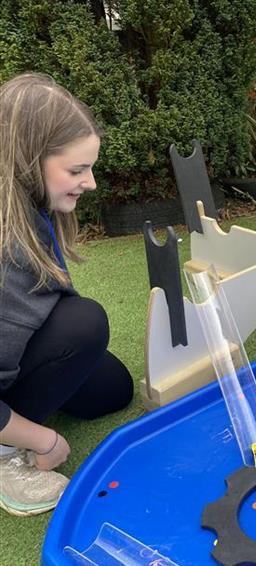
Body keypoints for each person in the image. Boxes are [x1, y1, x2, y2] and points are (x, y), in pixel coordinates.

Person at [0, 73, 134, 516]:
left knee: (113, 390)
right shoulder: (6, 252)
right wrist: (42, 439)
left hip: (13, 358)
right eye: (77, 170)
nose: (90, 183)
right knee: (84, 322)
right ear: (28, 161)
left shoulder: (31, 208)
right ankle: (4, 458)